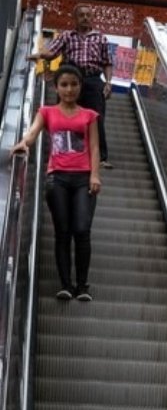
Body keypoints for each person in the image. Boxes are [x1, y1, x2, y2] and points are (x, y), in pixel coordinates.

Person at [12, 64, 102, 300]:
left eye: (74, 84)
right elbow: (33, 132)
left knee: (82, 230)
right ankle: (66, 285)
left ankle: (82, 286)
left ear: (80, 86)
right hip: (57, 179)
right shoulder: (47, 112)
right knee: (62, 232)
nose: (69, 89)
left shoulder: (89, 115)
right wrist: (25, 143)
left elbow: (94, 147)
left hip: (83, 179)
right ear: (56, 87)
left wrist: (95, 175)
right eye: (64, 84)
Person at [29, 3, 114, 168]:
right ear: (75, 18)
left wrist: (109, 82)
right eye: (81, 15)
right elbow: (52, 52)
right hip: (70, 78)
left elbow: (107, 62)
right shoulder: (66, 36)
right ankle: (61, 152)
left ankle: (101, 157)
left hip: (92, 80)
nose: (85, 18)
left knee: (96, 118)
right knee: (65, 115)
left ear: (93, 18)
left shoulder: (101, 38)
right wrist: (38, 55)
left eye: (88, 15)